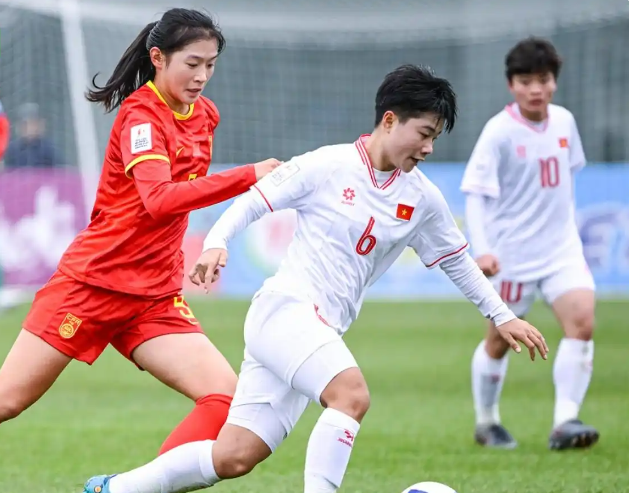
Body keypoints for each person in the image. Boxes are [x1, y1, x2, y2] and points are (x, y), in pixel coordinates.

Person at [83, 64, 548, 493]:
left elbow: (457, 261)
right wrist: (216, 240)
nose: (428, 148)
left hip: (317, 331)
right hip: (285, 312)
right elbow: (255, 199)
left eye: (435, 138)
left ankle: (114, 489)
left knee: (234, 456)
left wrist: (501, 316)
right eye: (424, 134)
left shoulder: (423, 199)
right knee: (351, 395)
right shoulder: (328, 164)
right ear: (390, 121)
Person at [0, 7, 280, 456]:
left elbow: (182, 197)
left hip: (153, 295)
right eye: (192, 63)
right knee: (7, 401)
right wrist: (248, 174)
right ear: (158, 58)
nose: (202, 76)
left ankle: (128, 487)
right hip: (93, 284)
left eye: (210, 65)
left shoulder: (205, 115)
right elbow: (160, 200)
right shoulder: (142, 117)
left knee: (226, 398)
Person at [462, 37, 598, 451]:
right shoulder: (498, 132)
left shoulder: (565, 122)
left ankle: (565, 422)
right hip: (512, 257)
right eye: (526, 81)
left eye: (543, 79)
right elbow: (475, 194)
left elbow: (568, 179)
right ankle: (487, 422)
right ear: (511, 85)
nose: (536, 89)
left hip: (560, 251)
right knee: (498, 342)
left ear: (555, 81)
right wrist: (483, 249)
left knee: (582, 322)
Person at [4, 103, 62, 168]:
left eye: (32, 123)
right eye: (24, 124)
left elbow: (61, 170)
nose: (29, 128)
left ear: (40, 124)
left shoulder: (49, 149)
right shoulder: (12, 149)